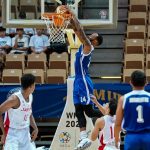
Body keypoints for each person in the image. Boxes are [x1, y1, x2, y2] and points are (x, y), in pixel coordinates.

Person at [59, 6, 103, 150]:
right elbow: (76, 27)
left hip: (83, 80)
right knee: (78, 109)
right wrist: (69, 17)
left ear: (95, 41)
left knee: (89, 112)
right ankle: (83, 138)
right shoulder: (84, 44)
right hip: (78, 80)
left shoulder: (88, 46)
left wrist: (72, 14)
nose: (91, 35)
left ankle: (113, 116)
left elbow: (80, 31)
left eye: (94, 35)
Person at [0, 73, 38, 150]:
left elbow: (29, 113)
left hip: (25, 131)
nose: (35, 86)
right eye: (34, 84)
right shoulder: (14, 99)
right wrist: (3, 133)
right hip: (12, 132)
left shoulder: (30, 96)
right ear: (30, 86)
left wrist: (35, 128)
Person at [114, 70, 150, 150]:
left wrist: (116, 140)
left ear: (131, 82)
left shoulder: (123, 99)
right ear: (146, 82)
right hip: (148, 137)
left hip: (131, 137)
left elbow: (117, 123)